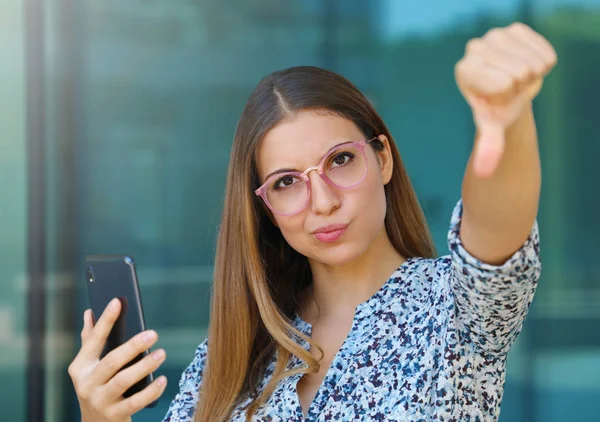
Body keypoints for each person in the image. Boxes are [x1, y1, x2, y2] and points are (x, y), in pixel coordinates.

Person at [68, 22, 557, 422]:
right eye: (286, 183)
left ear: (382, 159)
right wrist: (99, 417)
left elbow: (495, 224)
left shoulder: (456, 309)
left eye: (341, 160)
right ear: (265, 208)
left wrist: (507, 124)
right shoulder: (231, 354)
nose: (321, 202)